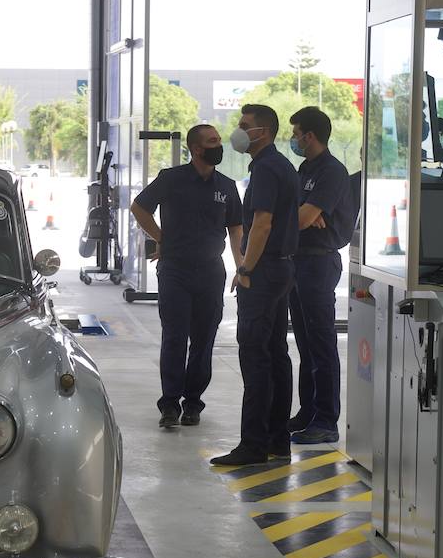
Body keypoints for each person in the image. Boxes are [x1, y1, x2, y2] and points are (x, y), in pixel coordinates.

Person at [131, 125, 244, 428]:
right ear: (196, 149)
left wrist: (241, 267)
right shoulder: (171, 179)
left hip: (211, 271)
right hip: (175, 270)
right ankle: (169, 404)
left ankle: (193, 403)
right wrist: (161, 238)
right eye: (212, 141)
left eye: (218, 140)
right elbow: (139, 207)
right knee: (175, 337)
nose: (218, 145)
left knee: (204, 340)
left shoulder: (226, 186)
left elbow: (236, 229)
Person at [211, 104, 300, 466]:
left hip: (263, 272)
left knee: (255, 356)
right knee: (276, 353)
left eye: (244, 125)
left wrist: (245, 267)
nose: (239, 130)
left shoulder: (265, 169)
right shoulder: (282, 166)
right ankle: (278, 439)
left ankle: (253, 445)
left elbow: (262, 224)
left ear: (262, 132)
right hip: (282, 268)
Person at [286, 106, 355, 446]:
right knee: (305, 344)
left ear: (309, 136)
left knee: (322, 344)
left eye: (296, 133)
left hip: (319, 263)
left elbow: (301, 218)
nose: (293, 139)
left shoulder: (332, 171)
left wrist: (304, 215)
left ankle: (327, 420)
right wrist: (302, 215)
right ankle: (308, 412)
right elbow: (298, 214)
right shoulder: (305, 169)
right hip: (298, 261)